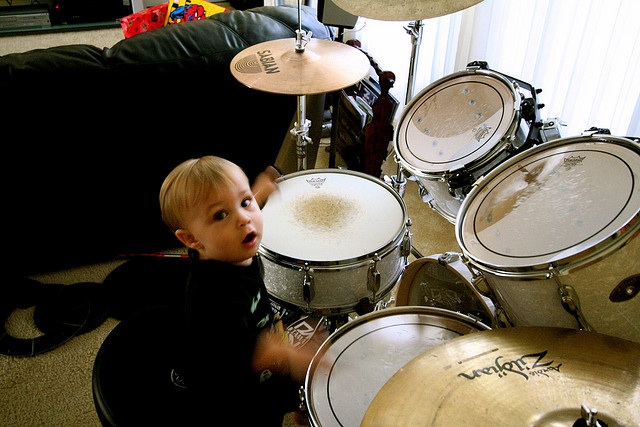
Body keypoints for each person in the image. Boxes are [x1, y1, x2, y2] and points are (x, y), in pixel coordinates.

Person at [159, 156, 315, 425]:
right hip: (235, 391)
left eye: (245, 202)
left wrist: (259, 192)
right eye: (220, 215)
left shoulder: (219, 247)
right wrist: (291, 354)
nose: (244, 219)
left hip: (258, 329)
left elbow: (233, 212)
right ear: (192, 239)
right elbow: (248, 358)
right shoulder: (217, 300)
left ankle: (294, 401)